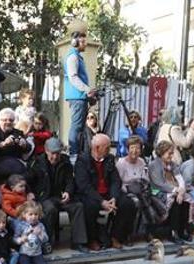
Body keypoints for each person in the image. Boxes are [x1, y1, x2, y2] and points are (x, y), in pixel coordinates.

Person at [73, 134, 135, 250]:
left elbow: (116, 180)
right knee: (89, 207)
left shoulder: (109, 158)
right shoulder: (82, 160)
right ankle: (92, 239)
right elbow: (84, 186)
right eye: (107, 147)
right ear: (97, 148)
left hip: (108, 193)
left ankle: (116, 236)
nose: (109, 150)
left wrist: (114, 197)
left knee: (127, 203)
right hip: (91, 194)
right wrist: (101, 201)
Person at [25, 137, 88, 251]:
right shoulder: (36, 162)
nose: (55, 156)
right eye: (53, 153)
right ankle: (47, 242)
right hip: (44, 196)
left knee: (78, 206)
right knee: (50, 209)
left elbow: (70, 180)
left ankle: (78, 242)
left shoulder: (65, 161)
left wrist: (68, 192)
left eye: (58, 153)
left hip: (60, 196)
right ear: (46, 150)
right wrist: (30, 193)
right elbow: (28, 181)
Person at [148, 140, 193, 244]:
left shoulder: (172, 164)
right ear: (162, 152)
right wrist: (176, 190)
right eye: (169, 153)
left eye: (172, 153)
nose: (171, 156)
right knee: (175, 202)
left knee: (185, 200)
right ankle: (173, 231)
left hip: (174, 190)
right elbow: (158, 183)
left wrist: (181, 190)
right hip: (157, 192)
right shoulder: (154, 165)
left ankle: (182, 229)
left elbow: (179, 178)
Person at [63, 30, 97, 158]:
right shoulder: (72, 57)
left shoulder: (77, 56)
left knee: (79, 127)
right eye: (82, 41)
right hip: (76, 97)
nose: (85, 44)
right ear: (75, 42)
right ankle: (74, 154)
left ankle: (79, 152)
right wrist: (87, 89)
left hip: (80, 96)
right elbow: (73, 77)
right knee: (76, 126)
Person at [0, 108, 30, 186]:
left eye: (11, 120)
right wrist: (3, 144)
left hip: (16, 169)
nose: (8, 122)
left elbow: (28, 149)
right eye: (5, 120)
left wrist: (25, 144)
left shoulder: (18, 133)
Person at [12, 200, 48, 264]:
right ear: (24, 215)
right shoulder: (21, 226)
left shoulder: (40, 225)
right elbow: (15, 238)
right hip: (25, 252)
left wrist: (40, 233)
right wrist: (20, 240)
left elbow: (45, 239)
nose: (33, 217)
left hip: (37, 253)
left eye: (36, 214)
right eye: (30, 214)